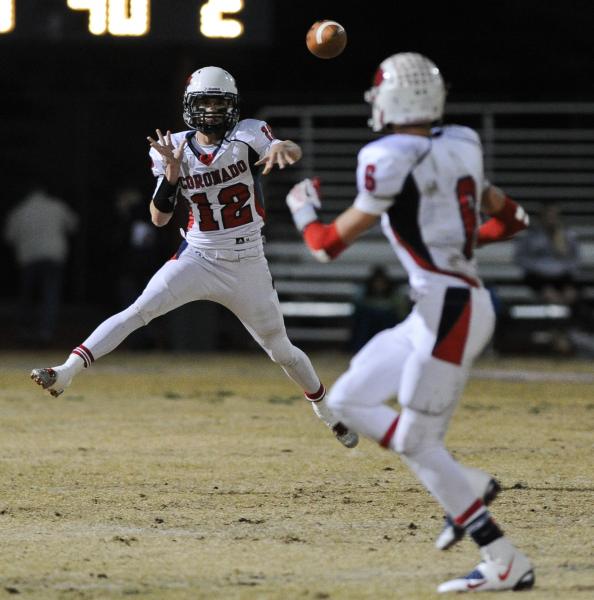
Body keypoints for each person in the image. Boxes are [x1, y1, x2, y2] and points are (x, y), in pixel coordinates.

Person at [285, 53, 534, 593]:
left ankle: (504, 560)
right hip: (440, 304)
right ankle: (465, 484)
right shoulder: (464, 142)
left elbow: (325, 247)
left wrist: (301, 206)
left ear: (391, 99)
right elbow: (514, 218)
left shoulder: (387, 153)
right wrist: (461, 247)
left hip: (451, 309)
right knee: (349, 401)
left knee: (419, 444)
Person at [30, 66, 357, 449]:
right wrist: (170, 175)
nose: (213, 110)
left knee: (280, 349)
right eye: (205, 102)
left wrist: (286, 146)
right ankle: (66, 371)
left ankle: (326, 411)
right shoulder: (175, 147)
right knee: (139, 310)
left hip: (247, 261)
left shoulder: (248, 133)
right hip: (197, 256)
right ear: (190, 106)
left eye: (219, 102)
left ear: (232, 106)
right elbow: (159, 217)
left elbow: (280, 148)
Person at [3, 186, 78, 345]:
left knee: (27, 295)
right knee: (50, 295)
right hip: (53, 256)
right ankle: (46, 332)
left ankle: (24, 331)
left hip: (28, 257)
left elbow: (9, 236)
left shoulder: (20, 210)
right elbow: (73, 224)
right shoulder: (57, 206)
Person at [350, 265, 408, 352]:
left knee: (387, 318)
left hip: (387, 322)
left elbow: (401, 309)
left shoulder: (393, 292)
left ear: (386, 283)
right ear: (372, 282)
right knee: (365, 320)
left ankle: (389, 347)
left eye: (382, 283)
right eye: (377, 282)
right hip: (369, 323)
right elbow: (358, 306)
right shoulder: (364, 291)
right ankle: (361, 348)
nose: (379, 285)